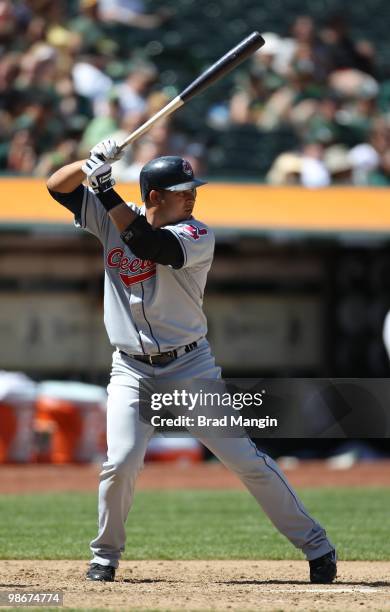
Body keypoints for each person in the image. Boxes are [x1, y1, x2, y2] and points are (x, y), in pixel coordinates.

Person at [46, 138, 337, 584]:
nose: (193, 195)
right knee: (120, 462)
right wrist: (90, 163)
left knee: (245, 460)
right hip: (131, 368)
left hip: (189, 368)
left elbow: (147, 245)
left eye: (192, 189)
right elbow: (55, 186)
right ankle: (105, 556)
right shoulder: (111, 215)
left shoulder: (197, 233)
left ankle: (317, 546)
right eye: (183, 190)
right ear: (156, 196)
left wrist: (105, 189)